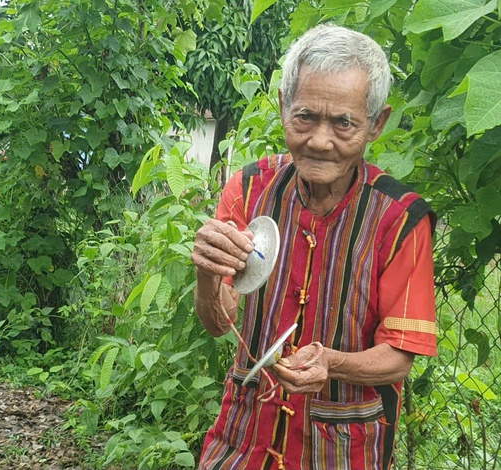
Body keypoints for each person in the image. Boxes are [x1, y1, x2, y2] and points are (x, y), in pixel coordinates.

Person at [190, 23, 437, 470]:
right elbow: (216, 323)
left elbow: (400, 356)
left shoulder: (401, 218)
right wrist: (207, 273)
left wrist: (333, 363)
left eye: (344, 123)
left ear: (376, 124)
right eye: (305, 116)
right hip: (243, 436)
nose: (320, 141)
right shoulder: (249, 188)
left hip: (343, 447)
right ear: (284, 107)